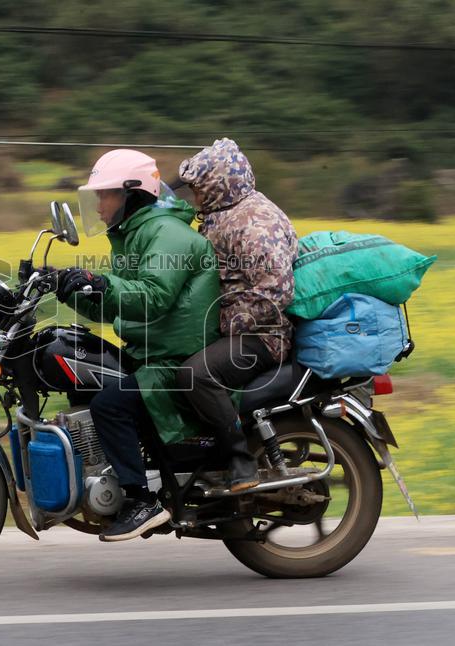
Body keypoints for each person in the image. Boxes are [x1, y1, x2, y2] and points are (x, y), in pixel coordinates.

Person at [56, 149, 220, 541]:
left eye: (106, 195)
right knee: (87, 381)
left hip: (173, 358)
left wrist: (100, 282)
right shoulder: (136, 234)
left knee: (110, 406)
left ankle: (139, 500)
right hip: (149, 352)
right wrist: (67, 288)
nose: (98, 206)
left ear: (133, 194)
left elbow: (152, 296)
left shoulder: (167, 233)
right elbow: (116, 302)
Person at [175, 138, 298, 492]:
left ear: (217, 184)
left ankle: (240, 462)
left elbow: (276, 289)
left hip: (263, 336)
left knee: (194, 375)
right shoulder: (224, 214)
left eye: (198, 188)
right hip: (238, 330)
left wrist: (224, 322)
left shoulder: (254, 221)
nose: (194, 197)